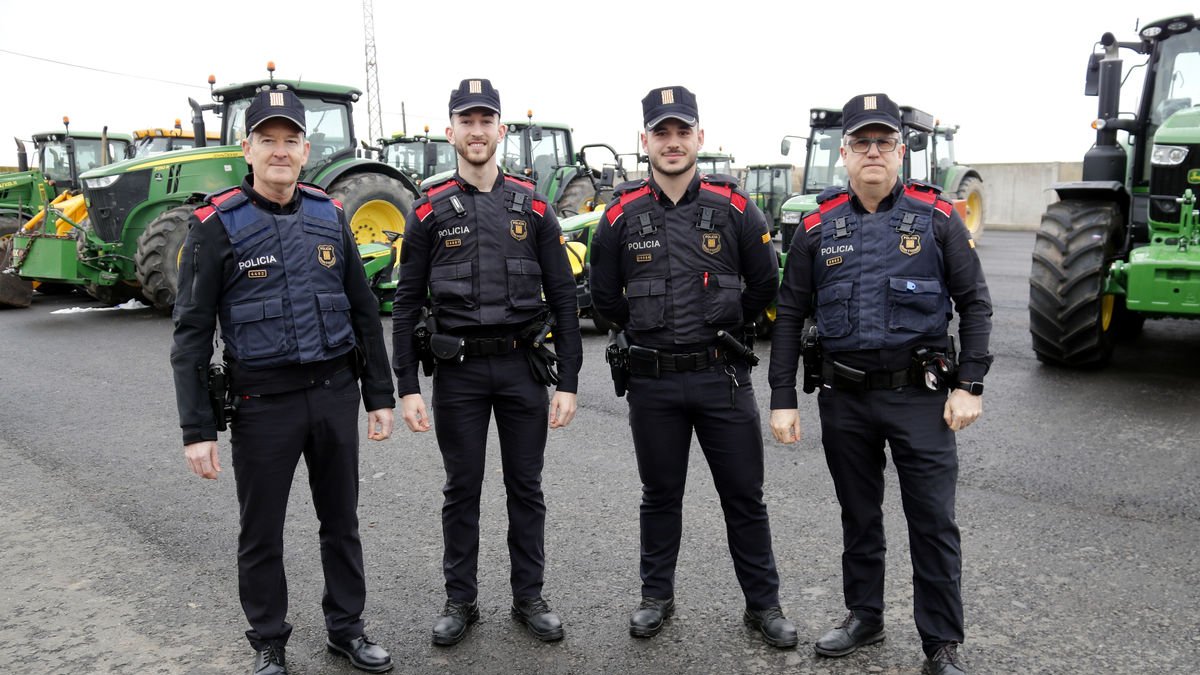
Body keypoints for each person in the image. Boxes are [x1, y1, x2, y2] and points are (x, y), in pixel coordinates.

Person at [171, 87, 396, 675]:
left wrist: (379, 396)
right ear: (247, 149)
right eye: (267, 140)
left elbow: (364, 311)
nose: (279, 151)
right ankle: (268, 642)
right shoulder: (215, 225)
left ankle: (346, 630)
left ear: (304, 149)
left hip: (332, 395)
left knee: (341, 523)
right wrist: (198, 429)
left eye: (289, 140)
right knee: (261, 531)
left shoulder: (329, 214)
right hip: (261, 403)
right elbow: (191, 334)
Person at [768, 92, 993, 675]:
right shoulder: (816, 228)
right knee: (859, 516)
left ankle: (941, 644)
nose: (873, 152)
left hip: (921, 399)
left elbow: (975, 305)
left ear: (901, 151)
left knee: (933, 522)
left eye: (884, 142)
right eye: (862, 143)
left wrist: (970, 383)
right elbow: (789, 315)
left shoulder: (938, 219)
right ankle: (864, 617)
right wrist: (783, 398)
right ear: (844, 153)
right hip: (845, 400)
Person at [589, 85, 797, 649]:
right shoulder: (620, 216)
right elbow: (604, 298)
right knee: (659, 495)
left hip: (721, 379)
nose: (673, 142)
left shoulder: (733, 209)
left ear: (700, 138)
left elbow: (764, 285)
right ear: (645, 141)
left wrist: (726, 333)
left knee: (744, 497)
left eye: (683, 132)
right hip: (653, 381)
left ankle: (763, 605)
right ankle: (656, 596)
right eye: (662, 132)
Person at [390, 78, 582, 647]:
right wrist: (407, 385)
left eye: (485, 120)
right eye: (466, 121)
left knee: (526, 486)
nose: (476, 131)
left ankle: (529, 597)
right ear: (451, 132)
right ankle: (461, 601)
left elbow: (565, 298)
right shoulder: (427, 212)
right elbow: (405, 303)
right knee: (462, 487)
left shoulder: (536, 208)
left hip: (523, 369)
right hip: (460, 374)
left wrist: (568, 380)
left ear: (501, 130)